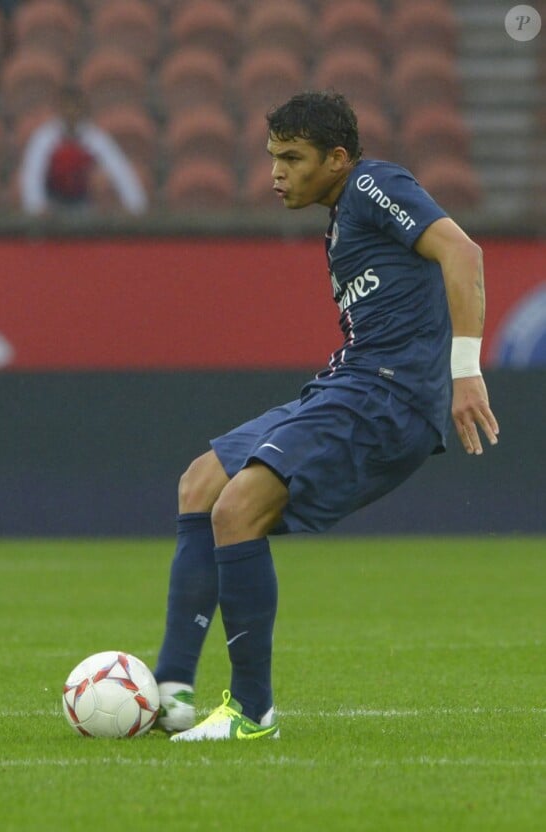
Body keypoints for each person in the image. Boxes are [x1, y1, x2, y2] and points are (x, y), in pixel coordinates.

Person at [153, 91, 500, 742]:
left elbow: (465, 253)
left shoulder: (374, 183)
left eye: (293, 158)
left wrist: (464, 371)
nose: (277, 173)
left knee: (237, 509)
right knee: (202, 483)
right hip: (348, 382)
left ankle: (252, 715)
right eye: (272, 157)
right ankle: (169, 692)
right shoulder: (342, 219)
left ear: (337, 159)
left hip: (385, 395)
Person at [19, 86, 147, 216]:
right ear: (58, 109)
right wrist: (35, 208)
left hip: (82, 202)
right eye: (66, 107)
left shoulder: (95, 137)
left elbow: (119, 168)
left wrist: (135, 205)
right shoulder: (44, 138)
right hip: (52, 202)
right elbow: (33, 174)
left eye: (75, 108)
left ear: (83, 110)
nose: (71, 112)